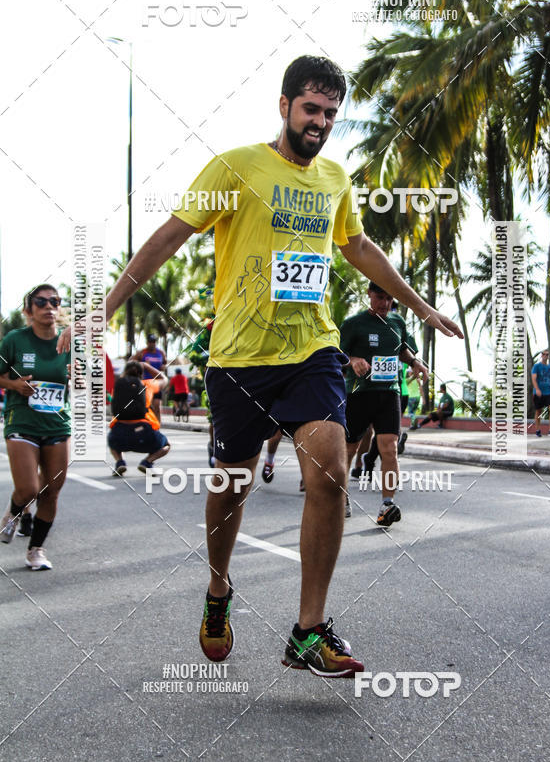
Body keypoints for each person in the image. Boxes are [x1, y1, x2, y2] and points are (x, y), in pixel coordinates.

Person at [58, 54, 462, 677]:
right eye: (310, 109)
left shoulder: (334, 180)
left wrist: (423, 308)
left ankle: (308, 630)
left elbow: (358, 247)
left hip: (312, 353)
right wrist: (101, 310)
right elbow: (169, 236)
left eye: (331, 113)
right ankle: (219, 587)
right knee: (231, 488)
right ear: (284, 106)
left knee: (329, 470)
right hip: (240, 362)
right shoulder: (236, 167)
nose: (321, 122)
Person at [340, 282, 428, 526]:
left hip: (389, 393)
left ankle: (387, 505)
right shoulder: (353, 324)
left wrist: (414, 363)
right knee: (349, 449)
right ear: (369, 294)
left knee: (389, 447)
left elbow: (403, 351)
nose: (385, 304)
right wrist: (353, 359)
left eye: (389, 299)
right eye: (380, 297)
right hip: (359, 394)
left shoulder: (397, 323)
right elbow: (337, 355)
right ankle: (341, 496)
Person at [0, 285, 71, 570]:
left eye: (54, 300)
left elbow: (80, 381)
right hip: (22, 420)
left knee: (52, 489)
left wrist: (78, 376)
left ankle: (35, 550)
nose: (48, 306)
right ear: (29, 310)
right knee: (29, 488)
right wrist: (14, 385)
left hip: (56, 423)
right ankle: (13, 514)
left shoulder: (69, 341)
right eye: (40, 302)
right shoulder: (16, 340)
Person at [108, 360, 170, 475]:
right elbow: (164, 379)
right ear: (141, 373)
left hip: (119, 433)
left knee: (111, 440)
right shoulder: (147, 384)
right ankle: (147, 462)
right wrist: (147, 366)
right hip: (143, 432)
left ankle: (120, 462)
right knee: (166, 445)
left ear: (125, 372)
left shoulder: (117, 387)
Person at [135, 334, 167, 424]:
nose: (152, 344)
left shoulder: (161, 353)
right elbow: (132, 362)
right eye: (150, 342)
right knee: (148, 406)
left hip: (157, 382)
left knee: (157, 405)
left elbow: (165, 363)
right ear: (147, 342)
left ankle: (158, 426)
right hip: (146, 383)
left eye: (153, 342)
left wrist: (163, 367)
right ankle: (149, 424)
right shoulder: (142, 352)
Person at [532, 349, 550, 437]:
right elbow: (534, 378)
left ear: (548, 356)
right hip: (539, 392)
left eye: (547, 354)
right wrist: (537, 389)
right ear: (541, 355)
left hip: (549, 392)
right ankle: (538, 430)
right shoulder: (537, 366)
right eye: (544, 354)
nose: (545, 356)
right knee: (538, 411)